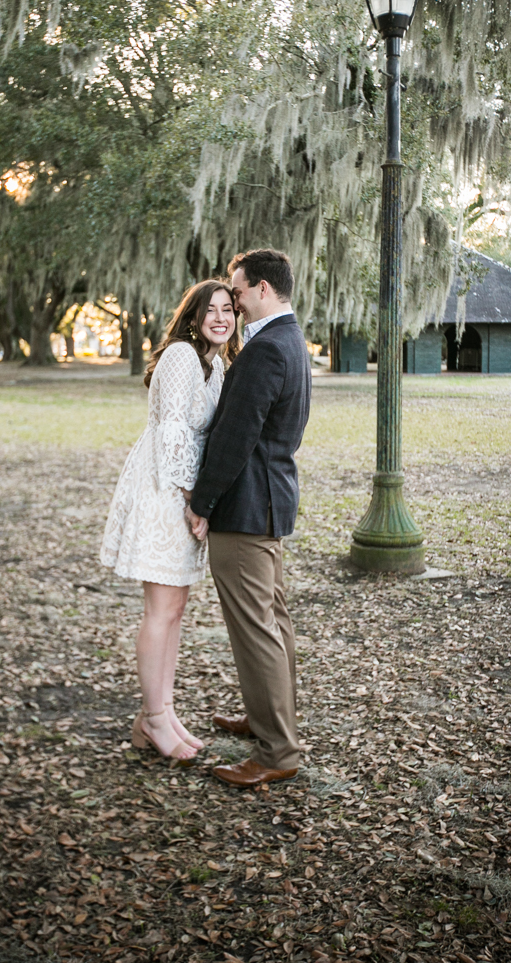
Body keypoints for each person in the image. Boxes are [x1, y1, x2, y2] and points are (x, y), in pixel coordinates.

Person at [187, 249, 312, 788]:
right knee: (273, 622)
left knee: (256, 630)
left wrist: (201, 502)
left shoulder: (266, 351)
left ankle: (277, 750)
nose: (233, 305)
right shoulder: (290, 341)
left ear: (262, 289)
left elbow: (236, 438)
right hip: (270, 501)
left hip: (245, 508)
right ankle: (268, 719)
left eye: (236, 294)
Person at [100, 281, 239, 762]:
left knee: (175, 608)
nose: (221, 317)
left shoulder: (215, 363)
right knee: (161, 609)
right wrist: (193, 501)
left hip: (184, 491)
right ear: (193, 316)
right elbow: (176, 431)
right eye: (211, 310)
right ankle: (155, 717)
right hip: (164, 490)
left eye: (229, 309)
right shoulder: (182, 356)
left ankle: (157, 713)